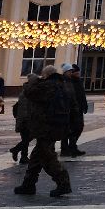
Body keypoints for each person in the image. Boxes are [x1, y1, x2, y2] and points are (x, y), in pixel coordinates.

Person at [13, 63, 73, 198]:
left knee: (49, 158)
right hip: (52, 127)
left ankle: (63, 183)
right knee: (36, 157)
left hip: (47, 128)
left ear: (46, 75)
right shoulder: (59, 84)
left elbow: (30, 93)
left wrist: (32, 81)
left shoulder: (49, 86)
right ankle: (28, 184)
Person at [60, 63, 89, 157]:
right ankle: (66, 149)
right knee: (67, 130)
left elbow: (82, 95)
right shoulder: (66, 82)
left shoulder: (77, 81)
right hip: (69, 110)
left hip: (78, 109)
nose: (77, 74)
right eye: (74, 72)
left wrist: (84, 105)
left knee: (78, 128)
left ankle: (72, 147)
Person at [10, 73, 35, 163]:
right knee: (28, 138)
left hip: (26, 119)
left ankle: (22, 156)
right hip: (25, 120)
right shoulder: (26, 93)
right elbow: (25, 108)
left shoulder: (28, 91)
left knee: (26, 138)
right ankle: (17, 151)